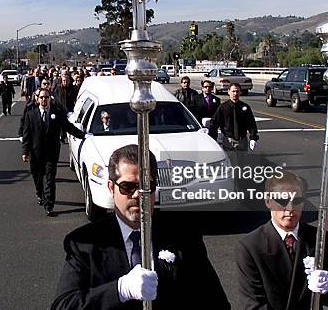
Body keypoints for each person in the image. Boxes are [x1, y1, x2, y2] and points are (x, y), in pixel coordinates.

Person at [51, 144, 230, 309]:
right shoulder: (86, 244)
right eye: (127, 187)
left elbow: (215, 301)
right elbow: (64, 305)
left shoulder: (183, 236)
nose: (137, 194)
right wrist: (119, 290)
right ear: (111, 188)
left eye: (146, 186)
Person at [235, 171, 328, 309]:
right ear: (268, 201)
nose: (290, 208)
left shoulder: (321, 239)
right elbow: (252, 305)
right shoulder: (250, 247)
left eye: (296, 201)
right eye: (282, 200)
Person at [22, 88, 85, 216]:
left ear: (49, 99)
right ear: (37, 99)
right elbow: (26, 135)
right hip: (36, 153)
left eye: (46, 97)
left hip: (51, 152)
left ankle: (49, 205)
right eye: (41, 98)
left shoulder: (57, 113)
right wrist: (25, 152)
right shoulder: (31, 114)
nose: (44, 100)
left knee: (50, 179)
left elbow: (68, 127)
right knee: (38, 178)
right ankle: (40, 193)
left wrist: (83, 136)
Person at [208, 83, 258, 152]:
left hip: (242, 140)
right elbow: (214, 123)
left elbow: (251, 123)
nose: (235, 93)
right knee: (231, 161)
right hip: (228, 140)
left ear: (240, 92)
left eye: (237, 91)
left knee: (242, 162)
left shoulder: (245, 107)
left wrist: (253, 138)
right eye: (233, 91)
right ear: (228, 92)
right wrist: (212, 139)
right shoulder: (223, 107)